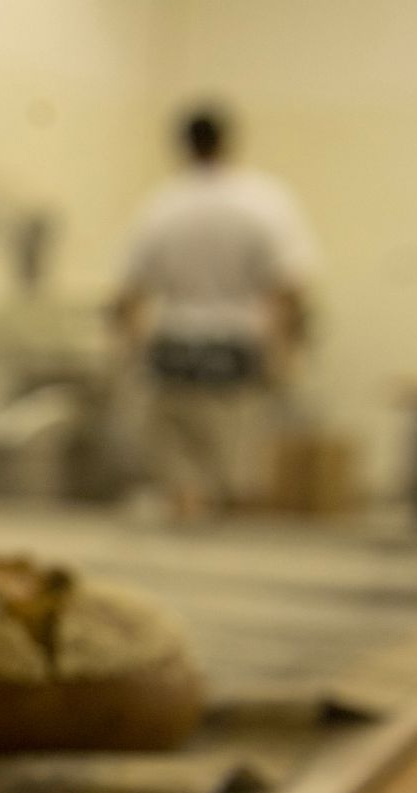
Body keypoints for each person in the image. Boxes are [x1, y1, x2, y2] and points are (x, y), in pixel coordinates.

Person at [112, 103, 317, 517]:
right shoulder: (264, 202)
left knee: (180, 470)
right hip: (237, 349)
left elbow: (128, 293)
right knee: (236, 466)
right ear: (228, 142)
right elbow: (288, 287)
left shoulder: (160, 205)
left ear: (182, 146)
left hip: (172, 347)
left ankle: (187, 509)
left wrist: (129, 352)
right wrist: (287, 350)